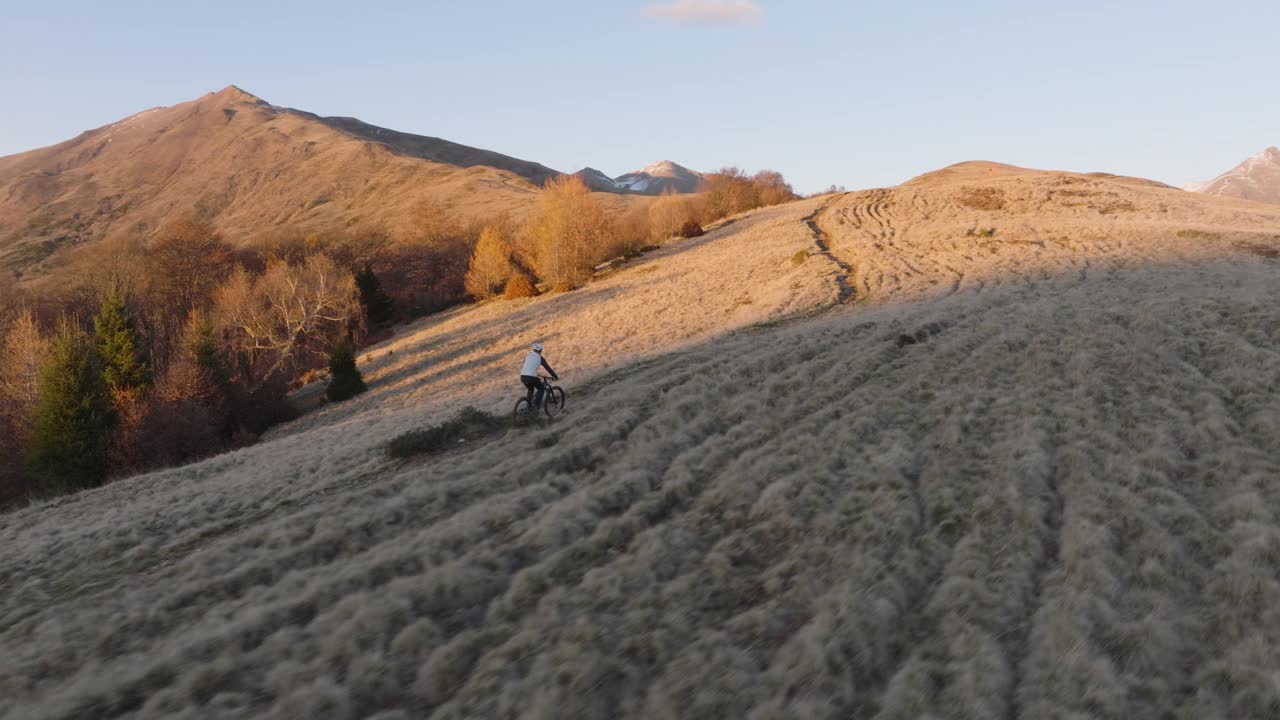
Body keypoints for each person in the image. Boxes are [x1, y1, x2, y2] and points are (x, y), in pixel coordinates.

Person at [520, 342, 558, 409]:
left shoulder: (528, 356)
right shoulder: (541, 358)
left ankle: (529, 407)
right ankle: (536, 406)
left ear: (533, 349)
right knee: (541, 389)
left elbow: (527, 365)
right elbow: (548, 368)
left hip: (523, 376)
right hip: (531, 377)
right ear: (540, 350)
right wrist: (555, 376)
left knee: (530, 389)